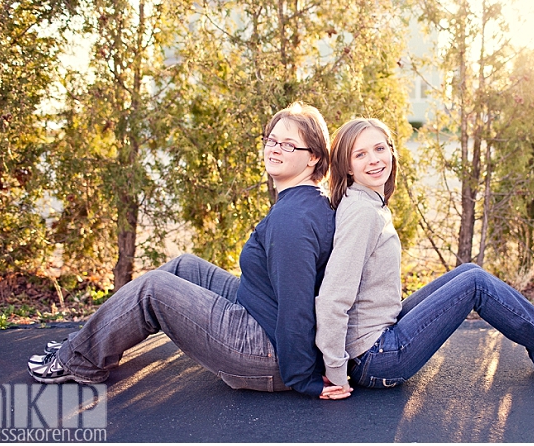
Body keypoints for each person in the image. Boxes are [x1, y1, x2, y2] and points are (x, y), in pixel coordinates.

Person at [28, 102, 351, 399]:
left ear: (314, 158)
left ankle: (78, 360)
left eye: (288, 145)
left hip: (267, 352)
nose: (274, 149)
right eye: (272, 140)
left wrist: (304, 380)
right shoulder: (306, 201)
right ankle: (89, 342)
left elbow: (296, 307)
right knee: (185, 266)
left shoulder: (292, 220)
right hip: (260, 309)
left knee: (153, 290)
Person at [315, 118, 534, 396]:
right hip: (377, 358)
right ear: (347, 167)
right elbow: (333, 297)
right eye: (361, 154)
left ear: (391, 152)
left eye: (379, 148)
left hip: (380, 338)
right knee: (476, 283)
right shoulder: (361, 212)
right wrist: (336, 373)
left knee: (469, 271)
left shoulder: (368, 202)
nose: (374, 159)